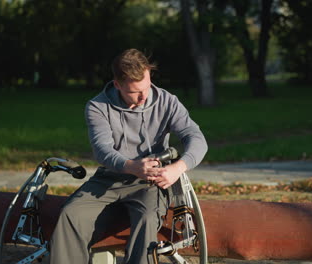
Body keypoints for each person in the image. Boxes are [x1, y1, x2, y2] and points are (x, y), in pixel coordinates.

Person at [49, 48, 208, 264]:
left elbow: (196, 138)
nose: (144, 96)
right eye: (135, 92)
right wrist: (130, 165)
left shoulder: (167, 101)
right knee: (70, 213)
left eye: (147, 87)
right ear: (117, 84)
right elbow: (102, 150)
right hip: (109, 177)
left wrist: (178, 167)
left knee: (146, 218)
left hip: (150, 182)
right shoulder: (98, 106)